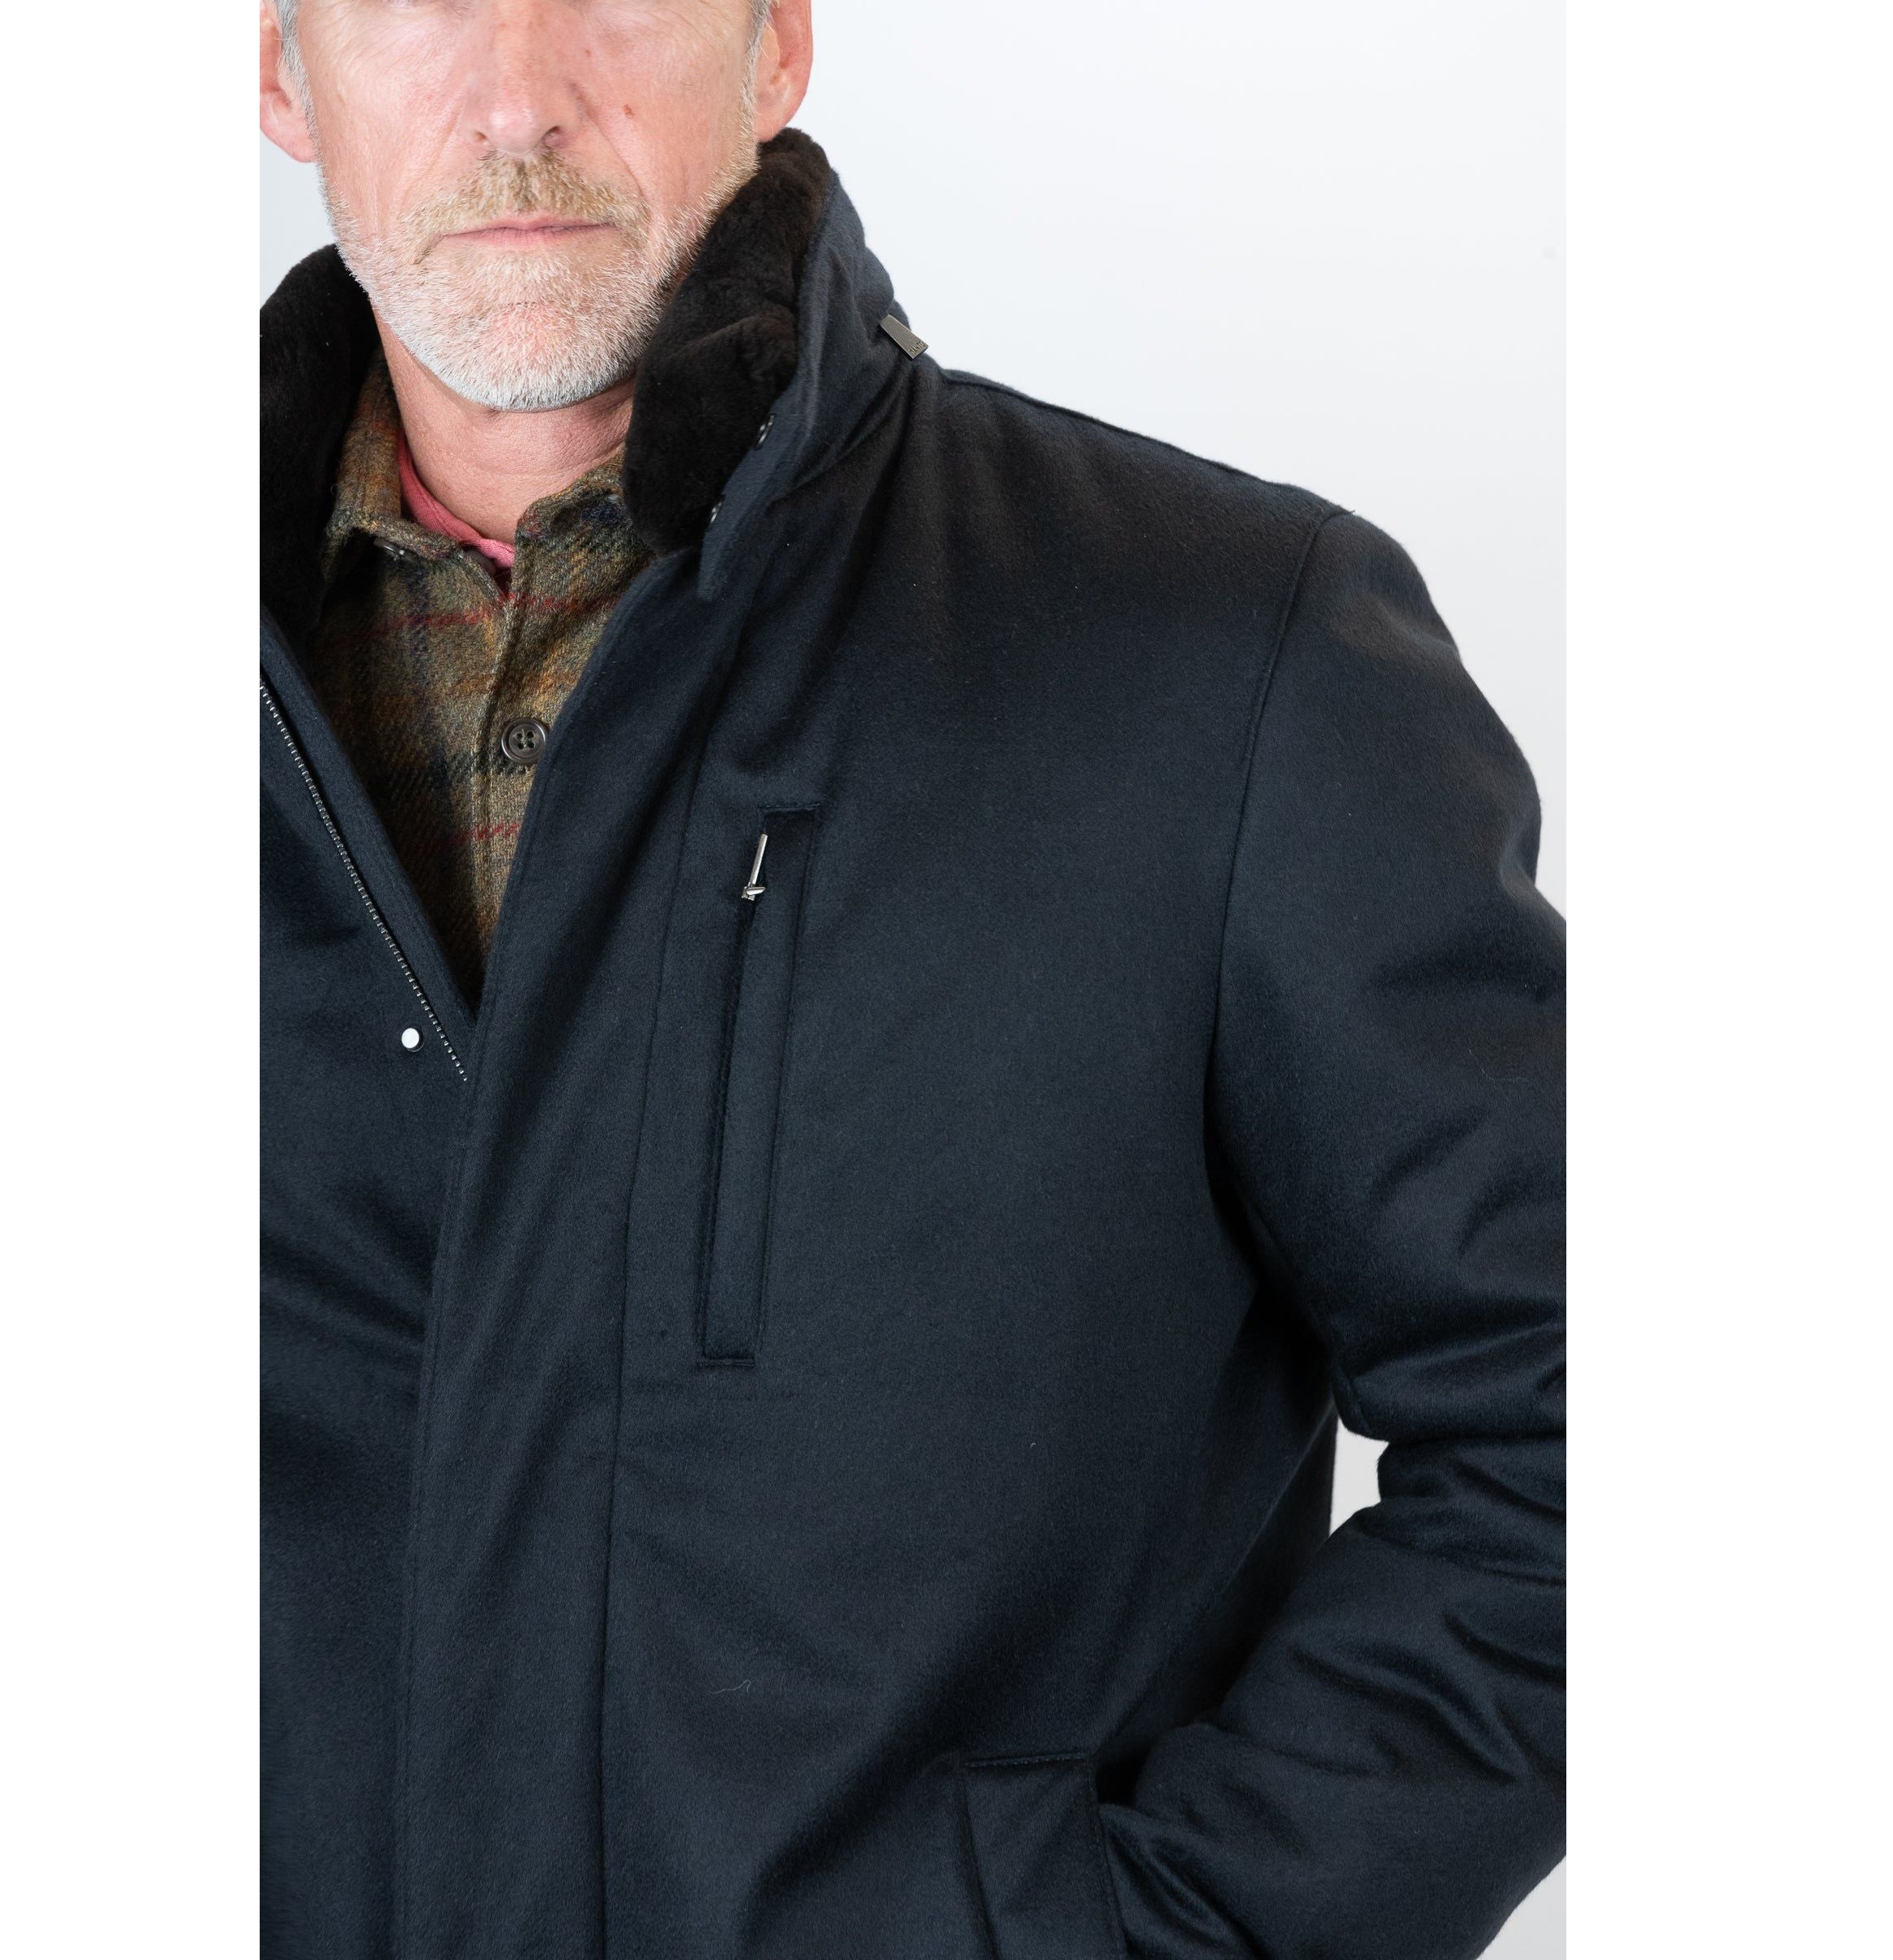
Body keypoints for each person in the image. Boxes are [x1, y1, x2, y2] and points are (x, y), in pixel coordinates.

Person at [259, 3, 1566, 1957]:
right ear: (279, 73)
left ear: (778, 42)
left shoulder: (1224, 664)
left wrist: (1162, 1936)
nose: (517, 93)